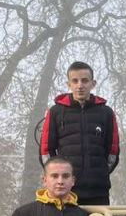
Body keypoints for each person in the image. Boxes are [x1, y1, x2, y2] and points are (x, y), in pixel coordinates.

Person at [38, 60, 121, 206]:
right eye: (75, 81)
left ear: (93, 83)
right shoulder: (56, 112)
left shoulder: (106, 112)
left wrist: (99, 172)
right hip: (66, 192)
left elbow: (113, 151)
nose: (80, 85)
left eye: (84, 80)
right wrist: (59, 178)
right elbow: (46, 151)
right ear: (68, 84)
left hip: (98, 191)